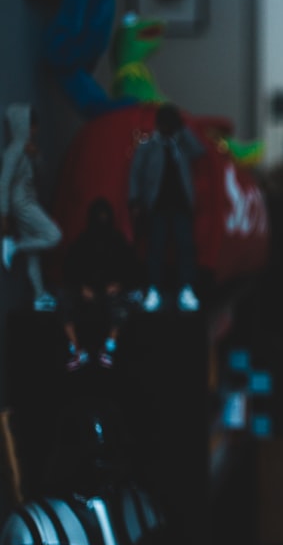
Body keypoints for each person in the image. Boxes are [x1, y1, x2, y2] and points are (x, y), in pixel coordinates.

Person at [128, 102, 203, 313]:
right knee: (156, 249)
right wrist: (134, 200)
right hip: (156, 205)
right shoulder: (149, 146)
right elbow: (136, 173)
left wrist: (183, 129)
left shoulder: (181, 144)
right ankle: (153, 290)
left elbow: (199, 151)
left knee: (185, 248)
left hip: (181, 204)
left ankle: (186, 290)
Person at [61, 197, 137, 371]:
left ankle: (109, 348)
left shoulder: (117, 240)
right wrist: (81, 287)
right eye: (98, 217)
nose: (102, 221)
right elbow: (70, 268)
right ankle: (77, 351)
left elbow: (131, 267)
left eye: (105, 217)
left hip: (111, 292)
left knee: (123, 304)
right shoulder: (83, 240)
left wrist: (119, 284)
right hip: (85, 290)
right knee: (64, 300)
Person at [0, 103, 62, 312]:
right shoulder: (15, 150)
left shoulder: (27, 149)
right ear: (24, 125)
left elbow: (41, 177)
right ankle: (15, 245)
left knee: (34, 254)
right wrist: (4, 214)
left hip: (28, 201)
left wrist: (36, 157)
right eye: (32, 126)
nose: (35, 131)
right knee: (54, 236)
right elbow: (4, 181)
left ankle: (39, 295)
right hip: (23, 204)